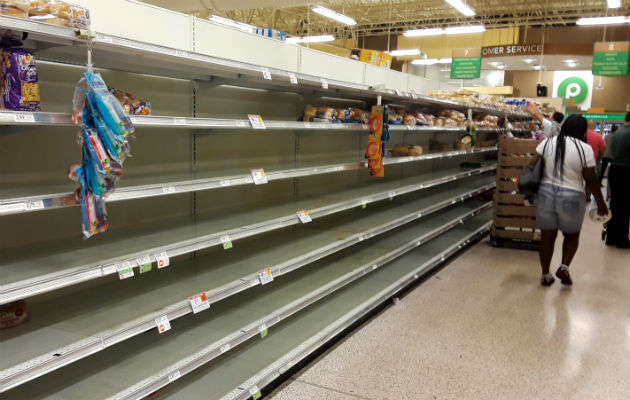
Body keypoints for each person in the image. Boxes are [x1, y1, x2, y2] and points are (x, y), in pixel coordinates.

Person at [531, 114, 608, 286]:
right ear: (582, 130)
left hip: (545, 194)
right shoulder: (584, 148)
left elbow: (531, 163)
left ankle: (545, 274)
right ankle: (564, 267)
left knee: (547, 237)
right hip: (572, 196)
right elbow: (590, 178)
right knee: (572, 234)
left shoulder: (548, 142)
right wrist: (600, 201)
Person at [606, 112, 630, 248]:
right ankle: (622, 239)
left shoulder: (617, 134)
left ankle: (611, 236)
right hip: (627, 170)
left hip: (615, 169)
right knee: (626, 206)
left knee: (615, 204)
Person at [585, 120, 606, 199]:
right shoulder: (598, 136)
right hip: (592, 161)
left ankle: (582, 193)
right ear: (594, 127)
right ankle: (588, 194)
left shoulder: (581, 134)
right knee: (590, 179)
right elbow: (603, 148)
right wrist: (598, 157)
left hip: (580, 160)